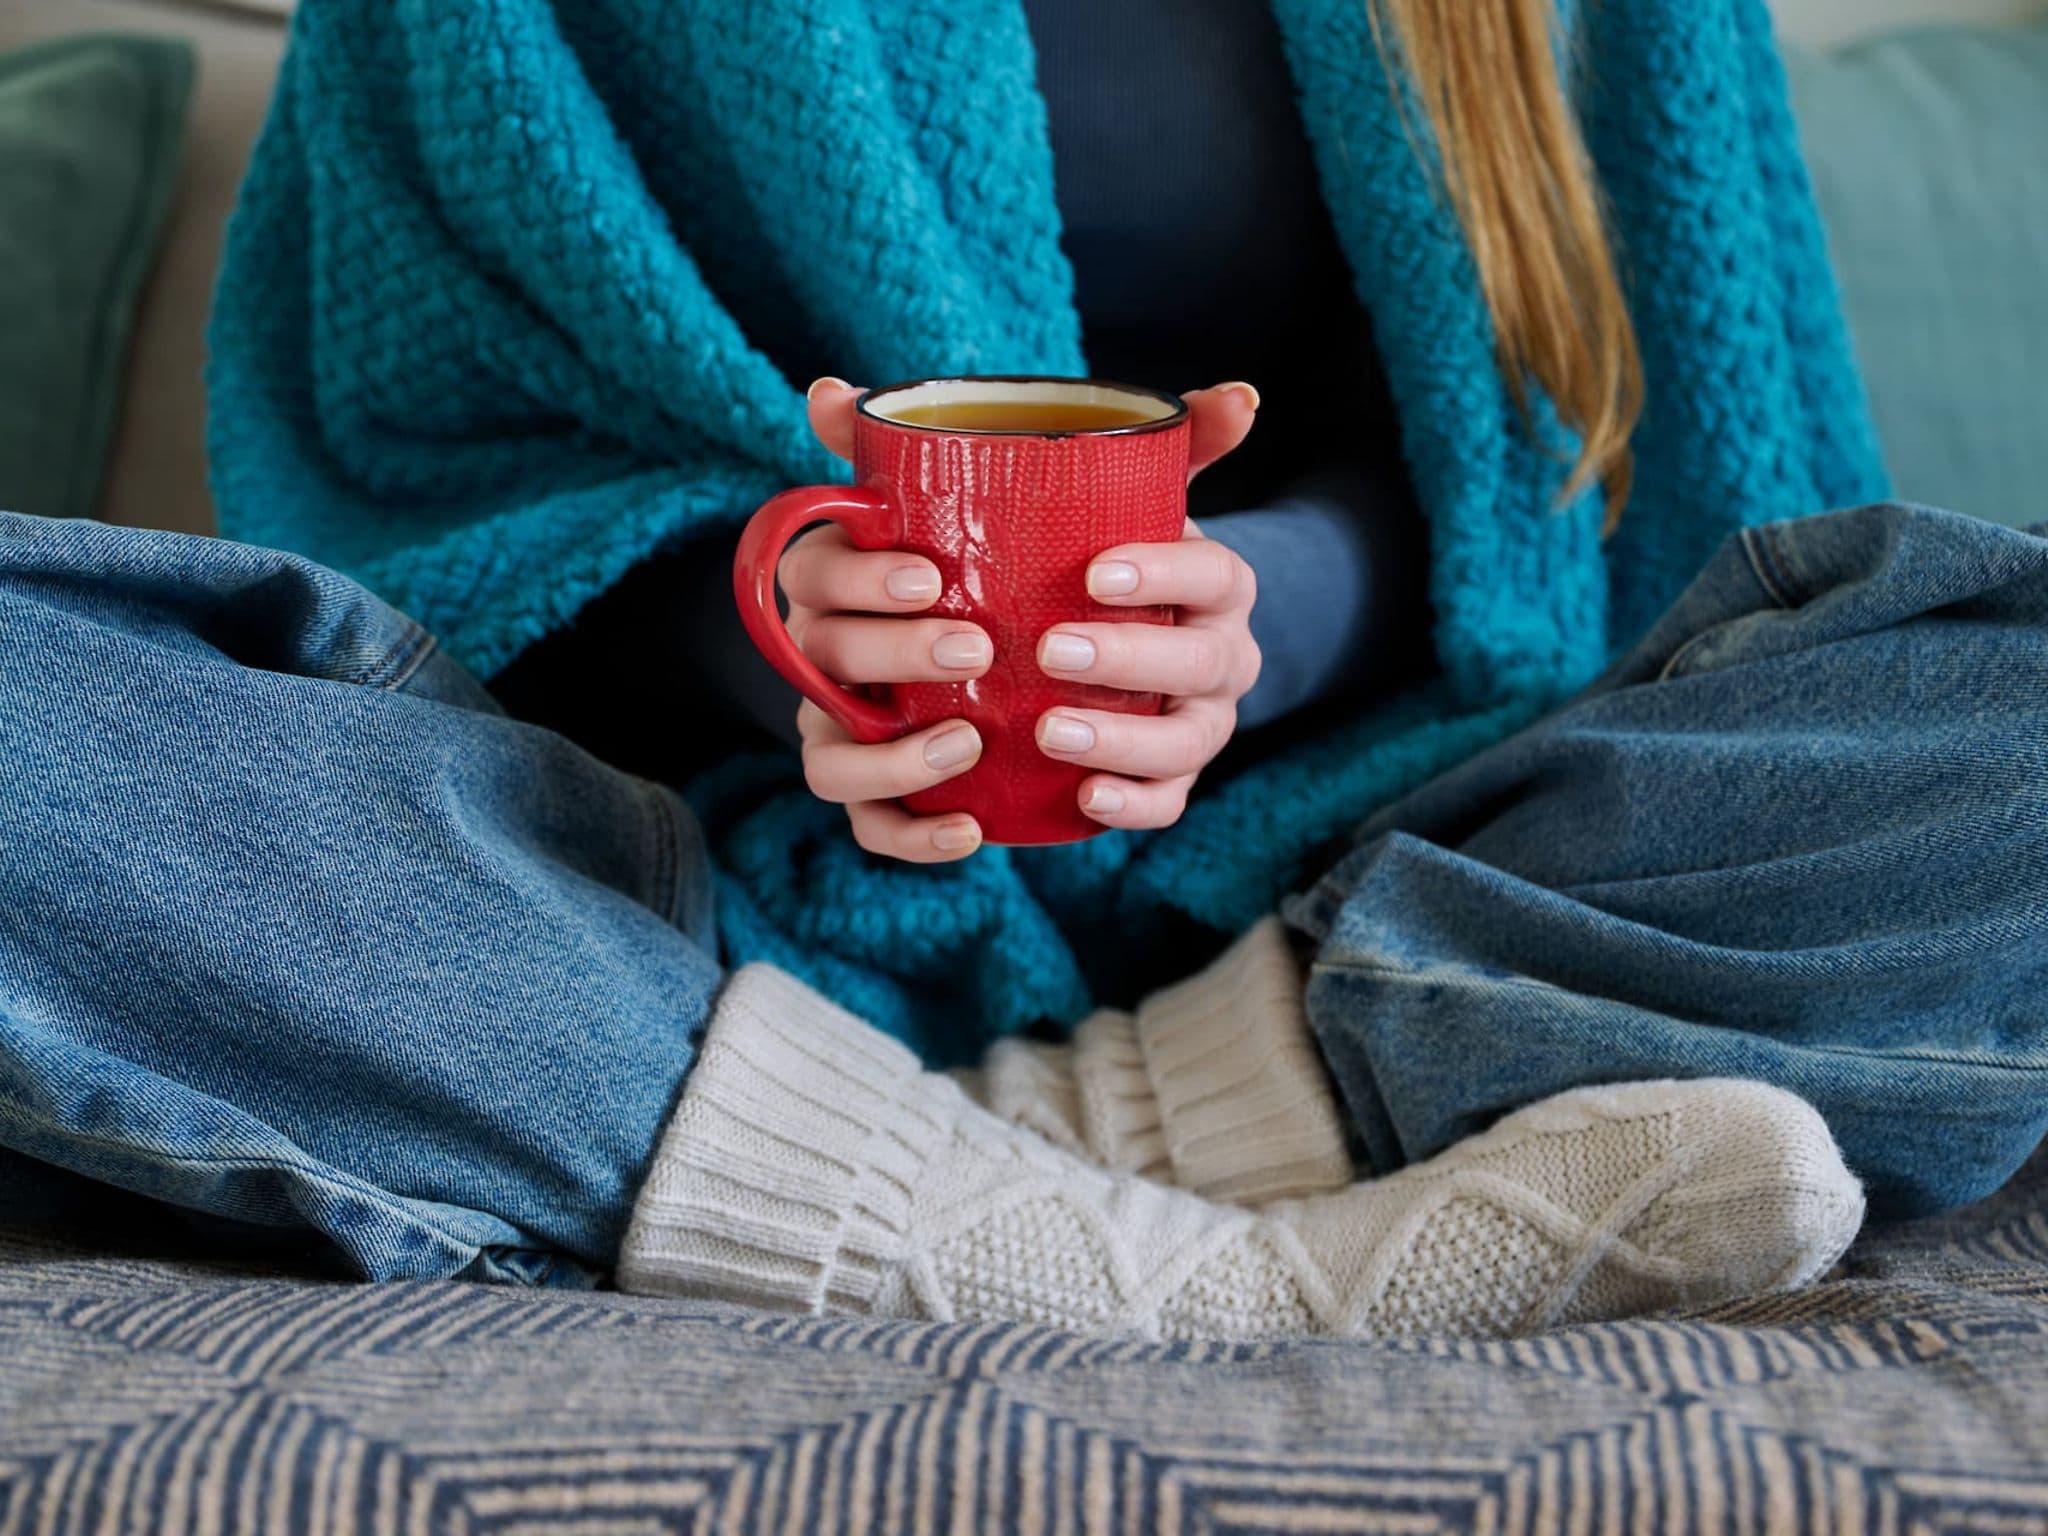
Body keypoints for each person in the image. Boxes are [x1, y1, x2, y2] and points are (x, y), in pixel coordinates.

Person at [5, 0, 2047, 1338]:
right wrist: (769, 624)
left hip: (1396, 863)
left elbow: (1564, 447)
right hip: (661, 907)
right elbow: (427, 466)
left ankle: (1192, 1114)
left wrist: (1258, 618)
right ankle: (1006, 1213)